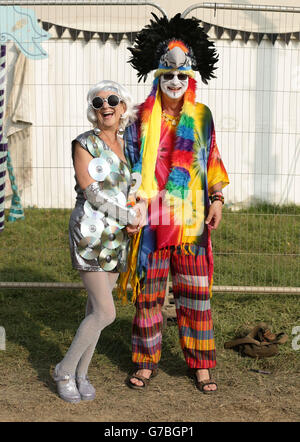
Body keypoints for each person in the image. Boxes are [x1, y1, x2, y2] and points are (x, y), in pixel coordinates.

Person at [118, 14, 229, 394]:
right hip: (151, 216)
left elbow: (211, 157)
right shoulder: (139, 119)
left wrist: (217, 196)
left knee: (196, 293)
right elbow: (131, 164)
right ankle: (146, 362)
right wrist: (132, 206)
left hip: (192, 215)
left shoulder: (202, 116)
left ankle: (200, 364)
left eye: (182, 76)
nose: (176, 82)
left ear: (191, 78)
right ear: (158, 78)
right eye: (168, 75)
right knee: (149, 294)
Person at [53, 80, 142, 403]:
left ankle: (81, 373)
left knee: (94, 308)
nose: (106, 106)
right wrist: (126, 216)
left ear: (123, 108)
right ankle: (63, 370)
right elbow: (90, 189)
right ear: (93, 111)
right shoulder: (83, 143)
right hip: (90, 234)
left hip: (117, 236)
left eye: (112, 100)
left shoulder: (129, 146)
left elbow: (135, 188)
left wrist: (137, 215)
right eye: (98, 102)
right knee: (106, 312)